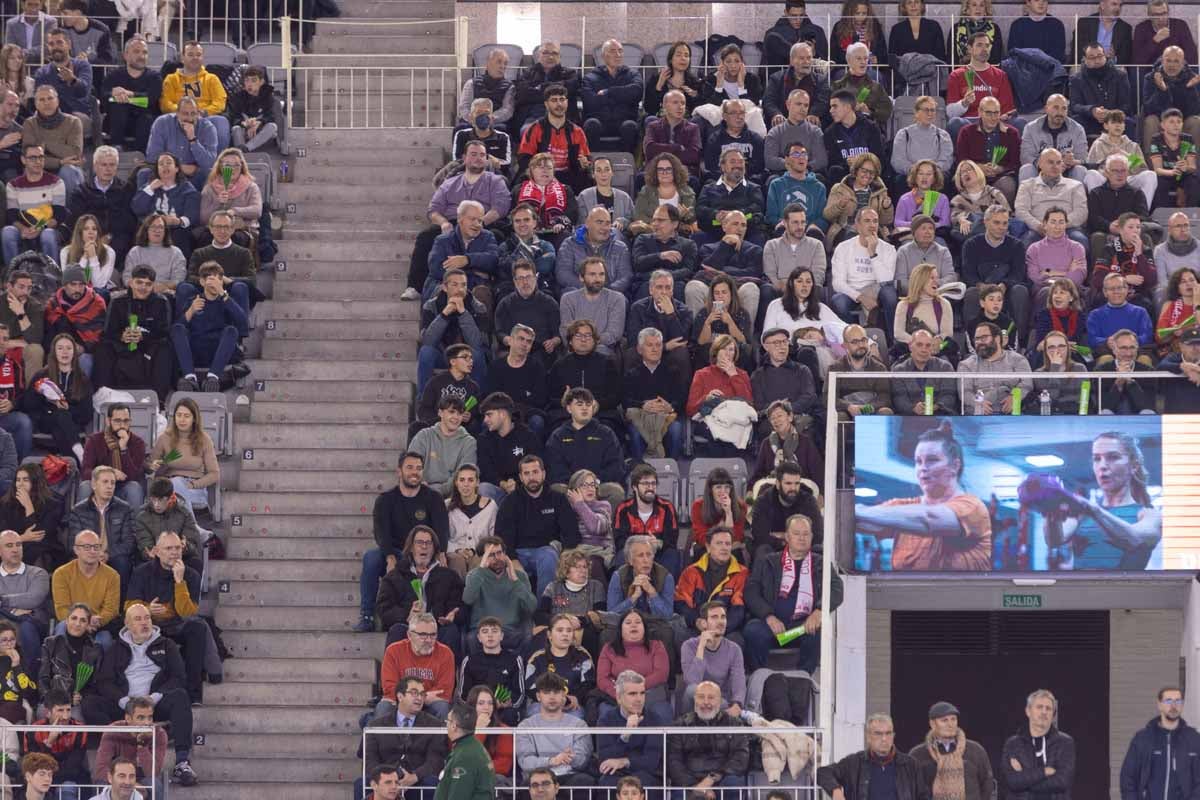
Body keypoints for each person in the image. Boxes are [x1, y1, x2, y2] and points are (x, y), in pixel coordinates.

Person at [80, 604, 199, 786]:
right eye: (138, 619)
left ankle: (182, 762)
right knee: (90, 703)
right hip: (126, 706)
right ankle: (118, 755)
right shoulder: (115, 648)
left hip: (155, 703)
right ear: (127, 625)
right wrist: (124, 701)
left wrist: (155, 697)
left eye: (147, 618)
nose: (144, 623)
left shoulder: (167, 645)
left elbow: (179, 677)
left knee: (181, 696)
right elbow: (104, 681)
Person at [856, 422, 994, 571]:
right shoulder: (903, 507)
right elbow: (866, 523)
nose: (923, 468)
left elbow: (929, 518)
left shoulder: (972, 507)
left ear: (955, 466)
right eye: (918, 461)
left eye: (932, 460)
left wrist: (860, 511)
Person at [405, 142, 512, 302]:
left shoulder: (496, 181)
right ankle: (414, 286)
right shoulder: (450, 183)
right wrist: (443, 223)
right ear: (464, 158)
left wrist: (479, 222)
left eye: (482, 155)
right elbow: (433, 210)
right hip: (453, 223)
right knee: (425, 237)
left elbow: (501, 206)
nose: (478, 158)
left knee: (497, 236)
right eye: (474, 154)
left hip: (484, 223)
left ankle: (489, 285)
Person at [355, 452, 449, 632]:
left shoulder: (433, 498)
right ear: (399, 471)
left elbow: (441, 529)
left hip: (424, 552)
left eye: (419, 468)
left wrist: (441, 552)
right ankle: (367, 615)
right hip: (397, 551)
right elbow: (381, 533)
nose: (415, 472)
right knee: (371, 558)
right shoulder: (385, 500)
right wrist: (390, 556)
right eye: (410, 467)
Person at [1041, 429, 1163, 568]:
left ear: (1133, 466)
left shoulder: (1150, 515)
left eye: (1113, 457)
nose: (1103, 466)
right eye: (1097, 459)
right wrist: (1049, 513)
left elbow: (1133, 539)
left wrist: (1095, 511)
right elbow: (1055, 541)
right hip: (1082, 589)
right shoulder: (1082, 513)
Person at [744, 512, 841, 671]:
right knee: (752, 631)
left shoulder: (820, 563)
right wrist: (768, 616)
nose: (801, 538)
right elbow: (751, 591)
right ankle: (760, 678)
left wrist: (819, 611)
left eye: (806, 534)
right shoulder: (768, 561)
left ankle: (802, 681)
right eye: (796, 534)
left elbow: (837, 587)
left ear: (811, 537)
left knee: (817, 633)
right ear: (787, 537)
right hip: (773, 626)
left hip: (802, 627)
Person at [123, 531, 208, 704]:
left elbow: (187, 613)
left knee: (197, 628)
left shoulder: (191, 575)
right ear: (156, 551)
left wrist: (179, 582)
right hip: (148, 626)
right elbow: (128, 607)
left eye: (177, 548)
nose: (174, 552)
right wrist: (147, 610)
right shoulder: (141, 572)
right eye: (168, 548)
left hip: (176, 626)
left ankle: (193, 694)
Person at [378, 524, 466, 654]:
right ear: (411, 547)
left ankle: (447, 674)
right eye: (419, 542)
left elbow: (460, 607)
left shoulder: (449, 576)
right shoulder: (394, 576)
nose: (424, 546)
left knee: (451, 631)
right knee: (397, 631)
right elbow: (384, 609)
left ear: (434, 548)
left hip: (437, 627)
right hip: (408, 627)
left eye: (428, 543)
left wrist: (453, 616)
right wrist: (407, 616)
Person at [91, 265, 172, 402]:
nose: (143, 287)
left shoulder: (161, 302)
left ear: (153, 286)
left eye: (148, 284)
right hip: (122, 347)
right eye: (139, 282)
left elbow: (164, 332)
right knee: (102, 348)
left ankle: (158, 400)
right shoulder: (117, 301)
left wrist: (143, 336)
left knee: (165, 349)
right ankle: (103, 397)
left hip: (149, 347)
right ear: (131, 282)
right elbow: (108, 332)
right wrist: (122, 336)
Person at [360, 676, 448, 799]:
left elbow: (435, 761)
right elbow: (369, 761)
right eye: (414, 693)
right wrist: (390, 779)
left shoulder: (435, 725)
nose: (419, 697)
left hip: (418, 780)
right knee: (361, 783)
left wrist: (414, 777)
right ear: (400, 696)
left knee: (432, 784)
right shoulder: (376, 725)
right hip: (385, 779)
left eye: (422, 694)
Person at [666, 681, 750, 796]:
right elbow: (674, 762)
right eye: (701, 697)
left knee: (733, 783)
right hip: (690, 781)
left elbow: (740, 758)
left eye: (711, 698)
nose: (705, 702)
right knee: (679, 792)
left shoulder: (735, 724)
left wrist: (711, 779)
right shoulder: (681, 725)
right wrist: (696, 787)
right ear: (695, 700)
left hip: (722, 778)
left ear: (720, 701)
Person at [818, 713, 928, 800]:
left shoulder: (910, 764)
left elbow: (923, 796)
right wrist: (836, 791)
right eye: (878, 734)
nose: (884, 738)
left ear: (893, 736)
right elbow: (823, 772)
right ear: (868, 737)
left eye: (888, 733)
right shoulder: (854, 763)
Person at [762, 266, 845, 380]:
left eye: (808, 281)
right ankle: (813, 395)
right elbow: (766, 335)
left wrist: (870, 342)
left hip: (822, 350)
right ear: (791, 284)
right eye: (799, 281)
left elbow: (845, 329)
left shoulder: (821, 308)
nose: (804, 285)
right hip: (789, 350)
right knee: (807, 352)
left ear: (812, 285)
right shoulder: (776, 305)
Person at [545, 388, 625, 505]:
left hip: (598, 486)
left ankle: (603, 523)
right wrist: (577, 485)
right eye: (579, 404)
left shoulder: (606, 433)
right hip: (570, 488)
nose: (584, 408)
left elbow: (616, 466)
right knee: (555, 490)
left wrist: (592, 484)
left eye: (588, 404)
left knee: (616, 492)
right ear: (569, 408)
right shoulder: (558, 436)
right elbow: (554, 468)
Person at [1120, 686, 1200, 800]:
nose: (1174, 705)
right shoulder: (1143, 738)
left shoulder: (1194, 739)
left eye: (1178, 700)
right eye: (1168, 701)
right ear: (1159, 705)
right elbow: (1128, 778)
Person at [23, 331, 91, 462]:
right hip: (45, 420)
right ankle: (81, 454)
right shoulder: (42, 375)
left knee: (61, 423)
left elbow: (86, 414)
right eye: (60, 348)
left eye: (68, 348)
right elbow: (28, 404)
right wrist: (44, 398)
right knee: (59, 415)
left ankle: (72, 464)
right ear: (54, 352)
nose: (64, 352)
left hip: (72, 423)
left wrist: (67, 410)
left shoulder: (82, 379)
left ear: (74, 353)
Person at [517, 672, 594, 786]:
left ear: (563, 695)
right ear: (538, 696)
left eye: (557, 692)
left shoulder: (579, 725)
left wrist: (570, 758)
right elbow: (525, 762)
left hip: (570, 776)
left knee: (584, 781)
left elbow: (583, 760)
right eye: (547, 692)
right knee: (527, 786)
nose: (552, 697)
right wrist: (552, 761)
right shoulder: (525, 726)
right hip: (539, 777)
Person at [63, 467, 136, 586]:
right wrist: (94, 554)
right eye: (105, 482)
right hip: (87, 554)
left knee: (123, 562)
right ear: (93, 484)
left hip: (113, 555)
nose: (109, 486)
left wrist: (107, 554)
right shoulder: (78, 510)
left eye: (113, 483)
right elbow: (73, 543)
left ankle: (120, 604)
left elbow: (129, 543)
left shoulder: (124, 509)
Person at [829, 207, 898, 334]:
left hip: (878, 290)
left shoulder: (889, 249)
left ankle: (892, 339)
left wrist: (872, 253)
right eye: (867, 221)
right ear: (857, 225)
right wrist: (860, 297)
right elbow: (838, 283)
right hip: (853, 291)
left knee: (890, 295)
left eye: (875, 221)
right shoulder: (844, 248)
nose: (872, 225)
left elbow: (886, 281)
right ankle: (853, 338)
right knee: (838, 301)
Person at [596, 670, 667, 792]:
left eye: (642, 693)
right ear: (619, 697)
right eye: (633, 694)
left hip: (646, 774)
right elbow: (605, 758)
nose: (639, 699)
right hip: (616, 774)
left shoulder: (654, 719)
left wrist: (624, 761)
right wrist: (626, 734)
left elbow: (652, 760)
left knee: (644, 784)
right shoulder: (606, 720)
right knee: (606, 784)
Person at [548, 319, 624, 433]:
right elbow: (550, 397)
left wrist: (597, 404)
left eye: (588, 335)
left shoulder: (607, 363)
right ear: (570, 341)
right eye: (578, 335)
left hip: (601, 412)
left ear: (595, 340)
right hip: (567, 413)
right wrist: (564, 402)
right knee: (557, 428)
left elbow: (616, 396)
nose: (583, 339)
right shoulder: (560, 365)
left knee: (608, 428)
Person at [516, 84, 592, 195]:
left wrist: (585, 163)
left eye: (562, 100)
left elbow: (586, 159)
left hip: (568, 176)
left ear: (567, 102)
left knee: (587, 180)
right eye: (554, 100)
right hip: (541, 174)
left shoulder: (577, 131)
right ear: (546, 104)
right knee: (520, 182)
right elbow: (524, 158)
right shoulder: (534, 129)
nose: (559, 104)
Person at [147, 397, 218, 516]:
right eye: (179, 415)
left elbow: (214, 474)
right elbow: (149, 465)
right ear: (174, 417)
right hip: (168, 487)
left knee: (176, 486)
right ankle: (194, 529)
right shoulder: (165, 437)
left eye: (186, 416)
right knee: (175, 483)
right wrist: (155, 465)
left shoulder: (204, 439)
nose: (182, 419)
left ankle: (191, 528)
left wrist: (193, 485)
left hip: (194, 489)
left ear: (194, 419)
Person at [424, 199, 501, 308]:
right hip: (447, 286)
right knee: (443, 291)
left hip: (475, 287)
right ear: (460, 219)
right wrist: (474, 271)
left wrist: (467, 260)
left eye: (480, 221)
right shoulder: (443, 240)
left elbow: (493, 261)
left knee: (482, 293)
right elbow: (436, 269)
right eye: (472, 219)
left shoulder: (487, 237)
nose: (477, 224)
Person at [624, 327, 686, 460]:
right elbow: (625, 400)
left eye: (658, 345)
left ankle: (671, 469)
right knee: (635, 432)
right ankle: (639, 469)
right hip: (641, 417)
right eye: (650, 345)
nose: (655, 349)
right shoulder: (632, 373)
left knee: (676, 429)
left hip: (666, 417)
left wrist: (670, 407)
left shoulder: (673, 370)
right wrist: (643, 405)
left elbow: (681, 399)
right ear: (640, 349)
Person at [378, 613, 455, 720]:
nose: (429, 640)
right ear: (409, 635)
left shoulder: (446, 653)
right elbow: (389, 688)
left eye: (433, 635)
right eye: (423, 635)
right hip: (400, 703)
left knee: (441, 707)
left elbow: (444, 692)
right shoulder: (393, 651)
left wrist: (415, 697)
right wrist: (422, 696)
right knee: (383, 707)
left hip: (429, 705)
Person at [68, 146, 136, 267]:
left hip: (116, 238)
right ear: (95, 167)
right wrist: (96, 237)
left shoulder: (126, 189)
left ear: (117, 167)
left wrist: (109, 236)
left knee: (123, 240)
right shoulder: (81, 191)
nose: (108, 169)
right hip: (88, 237)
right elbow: (77, 220)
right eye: (103, 165)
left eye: (112, 165)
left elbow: (128, 220)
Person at [674, 526, 747, 638]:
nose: (724, 548)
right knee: (681, 635)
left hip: (726, 629)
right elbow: (682, 604)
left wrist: (721, 628)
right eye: (719, 543)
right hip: (698, 626)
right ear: (708, 547)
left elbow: (738, 609)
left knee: (736, 640)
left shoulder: (741, 573)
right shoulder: (691, 572)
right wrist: (697, 622)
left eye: (728, 544)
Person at [463, 537, 537, 647]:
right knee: (472, 639)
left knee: (526, 636)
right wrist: (481, 570)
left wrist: (515, 581)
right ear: (482, 558)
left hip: (511, 630)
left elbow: (531, 607)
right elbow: (467, 599)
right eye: (491, 555)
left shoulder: (519, 576)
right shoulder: (474, 576)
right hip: (483, 632)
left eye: (499, 553)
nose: (497, 558)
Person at [531, 549, 605, 660]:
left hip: (583, 629)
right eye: (577, 567)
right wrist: (564, 620)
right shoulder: (553, 587)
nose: (582, 570)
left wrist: (579, 621)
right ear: (566, 571)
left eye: (584, 567)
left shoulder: (596, 586)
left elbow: (599, 614)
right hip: (557, 626)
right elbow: (540, 615)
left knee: (590, 636)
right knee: (539, 635)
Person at [945, 32, 1018, 143]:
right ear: (969, 49)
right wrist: (964, 103)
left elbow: (1008, 109)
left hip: (994, 121)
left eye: (987, 46)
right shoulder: (957, 75)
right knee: (955, 123)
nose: (984, 49)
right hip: (969, 123)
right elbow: (950, 113)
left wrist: (1005, 115)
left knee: (1020, 122)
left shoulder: (1000, 75)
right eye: (979, 45)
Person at [1002, 690, 1076, 798]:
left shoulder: (1065, 743)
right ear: (1028, 711)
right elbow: (1012, 782)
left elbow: (1062, 782)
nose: (1044, 712)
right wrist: (1044, 771)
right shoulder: (1013, 744)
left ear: (1053, 714)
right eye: (1039, 707)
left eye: (1048, 708)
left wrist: (1025, 777)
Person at [614, 464, 682, 577]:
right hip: (634, 553)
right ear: (635, 487)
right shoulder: (623, 509)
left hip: (659, 553)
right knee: (621, 556)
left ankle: (666, 593)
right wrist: (640, 544)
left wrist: (659, 543)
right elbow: (619, 541)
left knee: (672, 555)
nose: (650, 487)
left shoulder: (667, 507)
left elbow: (671, 540)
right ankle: (628, 592)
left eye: (653, 483)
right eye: (645, 483)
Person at [2, 144, 65, 264]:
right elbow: (12, 215)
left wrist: (40, 228)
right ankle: (11, 275)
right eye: (32, 158)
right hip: (24, 228)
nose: (38, 161)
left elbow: (59, 215)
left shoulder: (56, 182)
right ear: (23, 160)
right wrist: (23, 229)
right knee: (7, 232)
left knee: (47, 235)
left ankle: (53, 276)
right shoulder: (13, 185)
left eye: (41, 157)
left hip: (47, 227)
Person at [159, 41, 228, 150]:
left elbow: (220, 102)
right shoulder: (171, 79)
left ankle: (218, 163)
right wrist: (185, 113)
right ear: (182, 58)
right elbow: (165, 103)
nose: (195, 58)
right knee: (161, 121)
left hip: (206, 117)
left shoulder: (212, 78)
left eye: (198, 55)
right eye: (190, 55)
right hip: (178, 118)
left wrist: (203, 112)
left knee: (221, 121)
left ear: (202, 58)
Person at [524, 611, 594, 717]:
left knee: (577, 716)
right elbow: (529, 686)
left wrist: (576, 698)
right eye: (560, 630)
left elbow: (588, 685)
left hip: (571, 705)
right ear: (549, 634)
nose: (565, 634)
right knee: (535, 713)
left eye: (569, 630)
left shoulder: (583, 656)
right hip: (542, 704)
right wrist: (548, 699)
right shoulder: (537, 658)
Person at [1086, 152, 1156, 259]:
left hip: (1130, 231)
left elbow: (1143, 216)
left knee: (1145, 237)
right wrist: (1109, 226)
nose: (1120, 174)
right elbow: (1093, 218)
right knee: (1097, 237)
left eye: (1123, 170)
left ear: (1128, 173)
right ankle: (1099, 273)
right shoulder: (1096, 193)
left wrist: (1126, 226)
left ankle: (1147, 272)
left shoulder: (1136, 193)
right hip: (1105, 231)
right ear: (1107, 172)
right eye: (1115, 171)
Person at [130, 152, 200, 258]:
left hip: (175, 229)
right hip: (150, 228)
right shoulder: (149, 186)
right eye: (161, 164)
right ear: (157, 169)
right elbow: (137, 209)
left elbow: (192, 216)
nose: (165, 166)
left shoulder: (187, 189)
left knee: (181, 235)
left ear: (176, 168)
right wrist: (150, 189)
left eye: (169, 163)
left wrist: (178, 221)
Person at [476, 391, 542, 503]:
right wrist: (503, 484)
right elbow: (486, 470)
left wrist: (517, 484)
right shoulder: (484, 439)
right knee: (483, 488)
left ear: (502, 414)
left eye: (489, 415)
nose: (485, 420)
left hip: (523, 489)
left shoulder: (527, 436)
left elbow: (537, 467)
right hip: (497, 489)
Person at [20, 85, 84, 199]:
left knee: (68, 170)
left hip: (69, 169)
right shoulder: (29, 124)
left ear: (57, 101)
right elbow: (31, 158)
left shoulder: (73, 122)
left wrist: (44, 144)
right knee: (30, 169)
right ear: (36, 104)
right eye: (42, 99)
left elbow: (74, 153)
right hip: (41, 167)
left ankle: (70, 214)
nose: (46, 103)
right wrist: (59, 162)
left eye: (50, 98)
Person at [955, 96, 1023, 205]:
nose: (993, 117)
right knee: (969, 180)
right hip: (974, 175)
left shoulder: (1012, 134)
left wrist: (1000, 169)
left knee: (1008, 184)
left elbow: (1016, 163)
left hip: (1001, 177)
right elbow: (961, 160)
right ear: (980, 112)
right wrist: (978, 168)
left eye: (996, 113)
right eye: (989, 113)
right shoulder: (966, 132)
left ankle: (1004, 216)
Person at [144, 97, 218, 196]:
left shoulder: (208, 128)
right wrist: (177, 168)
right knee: (144, 173)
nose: (189, 118)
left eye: (193, 113)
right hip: (165, 172)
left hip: (193, 176)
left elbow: (210, 162)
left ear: (198, 113)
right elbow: (152, 156)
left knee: (208, 174)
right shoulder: (162, 123)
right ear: (177, 113)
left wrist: (193, 140)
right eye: (185, 114)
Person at [694, 149, 766, 248]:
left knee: (758, 237)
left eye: (741, 162)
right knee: (699, 237)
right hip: (715, 232)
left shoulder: (753, 188)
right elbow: (700, 209)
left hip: (745, 234)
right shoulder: (708, 188)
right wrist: (716, 214)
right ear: (723, 166)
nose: (738, 165)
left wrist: (736, 215)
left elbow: (757, 208)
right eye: (732, 162)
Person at [959, 321, 1036, 411]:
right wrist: (977, 402)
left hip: (1012, 415)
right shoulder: (966, 365)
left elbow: (1027, 384)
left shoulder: (1018, 360)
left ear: (997, 339)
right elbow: (964, 392)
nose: (979, 342)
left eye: (983, 338)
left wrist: (1015, 397)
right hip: (980, 415)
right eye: (976, 339)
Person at [581, 40, 642, 154]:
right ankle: (594, 164)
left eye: (620, 51)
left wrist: (608, 92)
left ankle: (627, 164)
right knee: (591, 124)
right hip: (600, 122)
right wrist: (623, 96)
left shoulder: (633, 74)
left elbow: (636, 92)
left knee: (630, 126)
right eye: (613, 51)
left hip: (624, 121)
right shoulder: (590, 78)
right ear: (604, 56)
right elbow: (590, 102)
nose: (618, 55)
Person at [407, 396, 477, 495]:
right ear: (440, 413)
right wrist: (420, 484)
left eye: (459, 413)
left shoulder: (469, 442)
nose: (456, 417)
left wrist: (437, 491)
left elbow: (464, 476)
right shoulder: (423, 436)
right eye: (451, 412)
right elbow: (411, 465)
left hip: (453, 495)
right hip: (421, 491)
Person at [557, 257, 627, 356]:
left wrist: (589, 343)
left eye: (601, 274)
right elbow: (566, 331)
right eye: (592, 274)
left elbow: (614, 333)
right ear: (581, 277)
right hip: (575, 350)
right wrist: (581, 345)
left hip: (603, 350)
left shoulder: (617, 298)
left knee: (601, 351)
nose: (598, 279)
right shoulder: (568, 299)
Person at [102, 37, 161, 154]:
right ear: (125, 55)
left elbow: (150, 101)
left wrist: (128, 95)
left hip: (143, 123)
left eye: (144, 52)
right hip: (117, 123)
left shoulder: (154, 77)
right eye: (136, 51)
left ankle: (140, 157)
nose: (141, 56)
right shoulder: (113, 75)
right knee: (118, 107)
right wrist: (115, 97)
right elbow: (105, 99)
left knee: (146, 116)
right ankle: (116, 148)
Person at [555, 207, 632, 297]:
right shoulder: (569, 244)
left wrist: (606, 292)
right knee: (568, 294)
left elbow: (625, 276)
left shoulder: (620, 248)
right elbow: (563, 273)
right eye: (599, 222)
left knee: (621, 299)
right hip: (579, 293)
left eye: (607, 223)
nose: (604, 227)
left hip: (610, 296)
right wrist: (587, 289)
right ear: (587, 224)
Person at [752, 327, 818, 431]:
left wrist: (788, 411)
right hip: (771, 420)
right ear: (766, 347)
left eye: (784, 342)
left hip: (798, 417)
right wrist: (779, 412)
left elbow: (809, 397)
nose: (782, 346)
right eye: (776, 343)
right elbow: (759, 404)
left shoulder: (802, 370)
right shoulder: (758, 375)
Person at [80, 403, 146, 509]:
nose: (122, 425)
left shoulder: (138, 443)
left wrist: (123, 449)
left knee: (134, 488)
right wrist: (109, 473)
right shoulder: (94, 440)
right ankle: (83, 525)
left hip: (123, 487)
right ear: (108, 421)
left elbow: (135, 476)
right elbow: (86, 471)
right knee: (86, 486)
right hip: (100, 485)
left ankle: (134, 526)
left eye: (126, 421)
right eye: (117, 421)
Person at [133, 477, 204, 571]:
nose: (156, 504)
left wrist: (185, 547)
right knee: (140, 568)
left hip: (179, 557)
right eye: (154, 500)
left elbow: (193, 543)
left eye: (161, 500)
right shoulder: (142, 517)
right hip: (155, 559)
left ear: (171, 498)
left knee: (195, 563)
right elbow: (144, 544)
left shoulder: (184, 514)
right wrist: (149, 553)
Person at [197, 149, 262, 251]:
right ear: (220, 166)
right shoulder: (210, 188)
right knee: (204, 238)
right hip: (215, 229)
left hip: (242, 229)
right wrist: (218, 202)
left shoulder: (251, 187)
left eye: (236, 165)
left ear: (242, 167)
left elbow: (257, 211)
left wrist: (234, 211)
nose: (232, 169)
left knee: (235, 238)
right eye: (227, 165)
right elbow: (203, 218)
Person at [826, 146, 891, 247]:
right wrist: (840, 205)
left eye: (872, 172)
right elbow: (828, 215)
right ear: (856, 171)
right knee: (853, 238)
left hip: (872, 230)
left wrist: (886, 208)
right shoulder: (839, 188)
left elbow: (885, 221)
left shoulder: (880, 191)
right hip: (845, 229)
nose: (867, 175)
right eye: (864, 171)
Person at [0, 463, 62, 569]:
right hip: (13, 547)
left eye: (25, 480)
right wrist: (21, 538)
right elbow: (2, 533)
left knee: (34, 550)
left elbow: (38, 536)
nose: (20, 484)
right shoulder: (6, 504)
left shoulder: (53, 504)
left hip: (44, 549)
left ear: (36, 482)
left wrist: (28, 506)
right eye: (18, 480)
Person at [93, 709, 166, 800]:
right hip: (117, 776)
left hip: (142, 777)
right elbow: (100, 769)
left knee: (155, 785)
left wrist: (141, 745)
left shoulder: (159, 733)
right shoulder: (113, 730)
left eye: (150, 717)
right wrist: (126, 783)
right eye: (141, 718)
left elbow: (153, 772)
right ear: (128, 718)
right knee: (101, 784)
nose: (147, 723)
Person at [1070, 43, 1136, 140]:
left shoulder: (1120, 76)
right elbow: (1075, 105)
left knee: (1129, 123)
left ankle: (1134, 156)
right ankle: (1079, 155)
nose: (1096, 60)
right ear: (1085, 59)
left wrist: (1110, 113)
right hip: (1089, 119)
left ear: (1105, 56)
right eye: (1092, 57)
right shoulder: (1076, 79)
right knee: (1075, 122)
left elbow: (1127, 104)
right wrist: (1092, 110)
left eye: (1100, 56)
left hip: (1114, 118)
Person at [1141, 47, 1200, 155]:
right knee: (1150, 121)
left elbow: (1194, 111)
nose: (1171, 65)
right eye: (1168, 60)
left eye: (1176, 61)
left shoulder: (1192, 78)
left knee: (1196, 121)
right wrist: (1162, 90)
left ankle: (1194, 168)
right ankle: (1152, 168)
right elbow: (1148, 108)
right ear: (1162, 61)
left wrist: (1188, 89)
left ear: (1183, 63)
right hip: (1160, 121)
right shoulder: (1150, 78)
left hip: (1182, 122)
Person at [827, 323, 893, 419]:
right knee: (839, 416)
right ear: (844, 345)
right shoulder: (835, 368)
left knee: (886, 412)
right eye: (855, 342)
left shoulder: (879, 368)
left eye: (863, 340)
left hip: (871, 410)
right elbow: (828, 397)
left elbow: (885, 397)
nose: (861, 345)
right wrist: (848, 407)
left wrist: (866, 408)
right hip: (847, 412)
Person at [443, 463, 498, 577]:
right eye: (462, 480)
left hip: (480, 553)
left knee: (478, 564)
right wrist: (457, 550)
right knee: (457, 562)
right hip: (454, 553)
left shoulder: (490, 506)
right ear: (456, 482)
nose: (466, 484)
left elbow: (494, 537)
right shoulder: (447, 506)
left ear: (477, 482)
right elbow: (442, 536)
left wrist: (475, 551)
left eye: (470, 480)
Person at [891, 96, 954, 191]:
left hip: (935, 176)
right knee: (899, 180)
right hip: (911, 175)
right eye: (926, 110)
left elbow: (947, 161)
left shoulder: (943, 135)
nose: (930, 113)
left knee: (946, 179)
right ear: (916, 113)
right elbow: (897, 161)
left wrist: (930, 173)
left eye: (932, 110)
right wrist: (918, 172)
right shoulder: (903, 134)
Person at [629, 156, 697, 242]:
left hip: (678, 236)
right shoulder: (646, 190)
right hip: (651, 235)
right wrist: (661, 225)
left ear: (675, 171)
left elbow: (691, 217)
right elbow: (639, 215)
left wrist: (685, 216)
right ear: (655, 172)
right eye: (660, 169)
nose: (664, 173)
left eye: (668, 169)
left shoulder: (686, 191)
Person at [435, 703, 496, 800]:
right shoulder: (472, 746)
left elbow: (459, 795)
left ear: (454, 726)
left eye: (448, 721)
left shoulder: (464, 756)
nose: (446, 724)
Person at [514, 41, 580, 130]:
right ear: (539, 56)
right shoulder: (528, 74)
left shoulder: (570, 74)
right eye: (545, 53)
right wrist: (555, 89)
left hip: (563, 119)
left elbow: (570, 89)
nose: (550, 57)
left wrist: (539, 88)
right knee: (528, 132)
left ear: (559, 57)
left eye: (554, 53)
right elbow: (523, 95)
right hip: (533, 119)